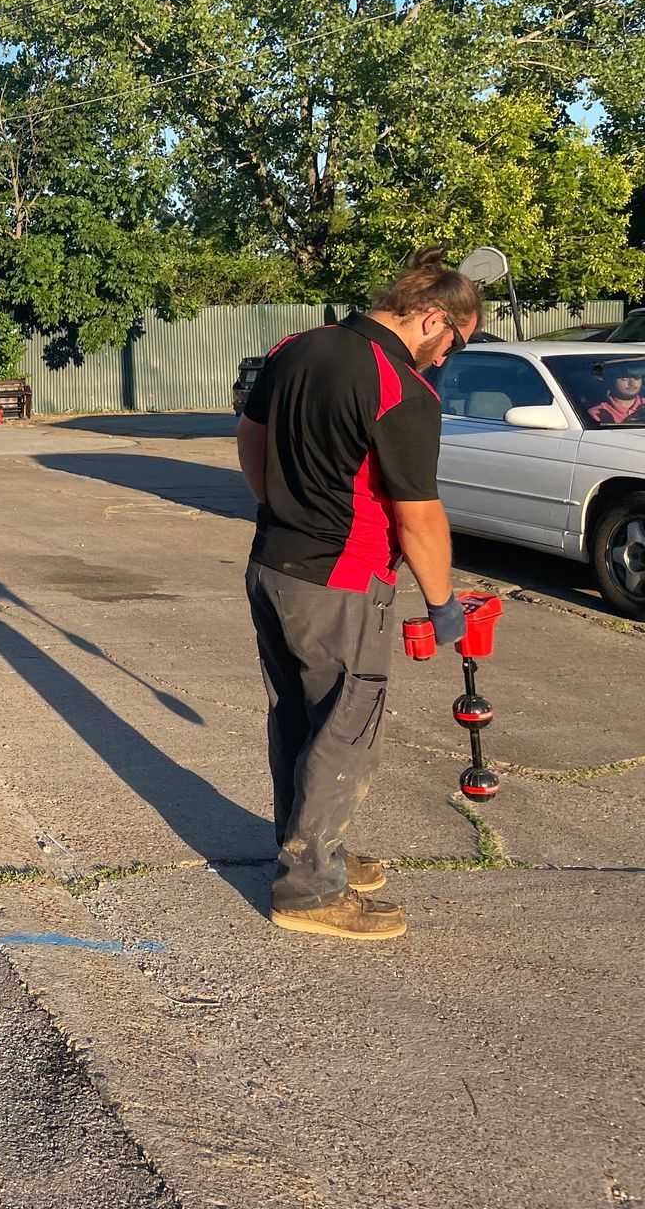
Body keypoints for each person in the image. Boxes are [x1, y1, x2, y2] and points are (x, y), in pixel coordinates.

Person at [236, 249, 481, 940]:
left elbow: (250, 439)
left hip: (273, 565)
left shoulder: (294, 348)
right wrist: (443, 607)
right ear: (433, 318)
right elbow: (420, 515)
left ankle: (309, 847)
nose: (444, 359)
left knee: (298, 716)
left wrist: (283, 510)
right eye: (453, 342)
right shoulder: (398, 387)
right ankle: (310, 890)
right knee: (347, 726)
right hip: (342, 580)